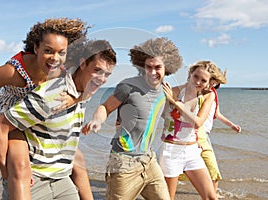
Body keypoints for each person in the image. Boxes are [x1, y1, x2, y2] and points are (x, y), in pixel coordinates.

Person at [0, 18, 88, 199]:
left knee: (77, 160)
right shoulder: (13, 71)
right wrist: (5, 171)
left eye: (61, 53)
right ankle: (7, 180)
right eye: (48, 51)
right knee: (20, 164)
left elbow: (87, 86)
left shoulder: (63, 71)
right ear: (36, 48)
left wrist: (76, 98)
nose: (54, 58)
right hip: (9, 118)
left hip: (37, 116)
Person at [0, 39, 117, 200]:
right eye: (97, 70)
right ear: (82, 64)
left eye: (107, 74)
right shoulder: (52, 95)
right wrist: (6, 175)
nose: (102, 78)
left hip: (62, 180)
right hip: (34, 182)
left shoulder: (86, 88)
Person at [82, 37, 182, 200]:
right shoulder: (128, 87)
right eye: (148, 67)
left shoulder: (165, 91)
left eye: (158, 67)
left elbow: (190, 88)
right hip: (124, 163)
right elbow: (105, 107)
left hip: (149, 160)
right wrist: (96, 121)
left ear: (167, 67)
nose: (152, 72)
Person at [159, 61, 222, 200]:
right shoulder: (174, 91)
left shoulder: (207, 96)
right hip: (171, 151)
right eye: (196, 77)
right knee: (168, 198)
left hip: (192, 152)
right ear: (190, 75)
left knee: (211, 197)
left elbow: (198, 122)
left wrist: (176, 103)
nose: (198, 82)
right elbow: (158, 115)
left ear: (209, 83)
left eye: (203, 80)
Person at [197, 62, 241, 197]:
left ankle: (211, 194)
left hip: (205, 135)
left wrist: (232, 125)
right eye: (212, 80)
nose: (214, 83)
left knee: (206, 170)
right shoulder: (198, 93)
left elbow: (217, 114)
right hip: (197, 134)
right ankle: (212, 195)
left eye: (216, 81)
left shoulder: (213, 94)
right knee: (212, 171)